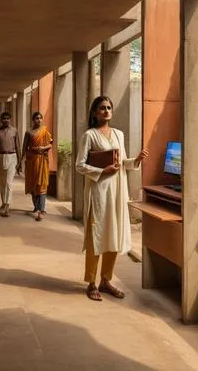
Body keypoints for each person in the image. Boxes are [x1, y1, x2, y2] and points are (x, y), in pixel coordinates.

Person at [76, 96, 149, 301]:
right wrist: (102, 169)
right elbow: (79, 165)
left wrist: (136, 160)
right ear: (94, 113)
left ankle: (106, 280)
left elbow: (122, 163)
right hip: (99, 192)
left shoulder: (118, 134)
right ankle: (91, 282)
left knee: (113, 235)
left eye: (109, 108)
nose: (106, 111)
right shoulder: (89, 136)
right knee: (96, 235)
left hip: (117, 192)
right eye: (102, 108)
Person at [21, 112, 53, 221]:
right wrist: (20, 161)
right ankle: (36, 206)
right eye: (36, 118)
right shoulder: (28, 132)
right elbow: (25, 147)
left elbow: (50, 144)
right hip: (31, 161)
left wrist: (43, 148)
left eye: (40, 118)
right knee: (33, 185)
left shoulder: (44, 131)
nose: (38, 120)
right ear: (33, 120)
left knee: (42, 185)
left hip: (42, 160)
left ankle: (41, 210)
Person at [0, 112, 22, 217]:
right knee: (1, 183)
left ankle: (7, 205)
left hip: (12, 157)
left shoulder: (14, 131)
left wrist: (20, 161)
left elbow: (18, 147)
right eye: (4, 118)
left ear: (10, 119)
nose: (6, 120)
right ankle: (3, 202)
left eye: (8, 118)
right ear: (1, 120)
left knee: (8, 182)